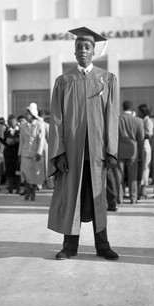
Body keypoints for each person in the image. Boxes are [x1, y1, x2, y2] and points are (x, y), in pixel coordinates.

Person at [47, 27, 119, 261]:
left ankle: (103, 246)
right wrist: (59, 152)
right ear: (74, 51)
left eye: (87, 47)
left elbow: (112, 116)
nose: (83, 51)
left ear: (94, 50)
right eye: (79, 47)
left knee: (98, 197)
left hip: (97, 151)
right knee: (72, 198)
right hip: (73, 152)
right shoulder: (64, 81)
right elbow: (56, 119)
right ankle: (69, 247)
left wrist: (111, 150)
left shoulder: (106, 79)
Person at [113, 101, 144, 204]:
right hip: (133, 151)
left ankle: (119, 198)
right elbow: (141, 139)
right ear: (132, 109)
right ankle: (133, 197)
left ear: (122, 107)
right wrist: (141, 153)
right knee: (133, 176)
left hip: (118, 150)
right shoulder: (138, 121)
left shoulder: (116, 119)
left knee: (118, 176)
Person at [18, 103, 46, 201]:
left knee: (34, 174)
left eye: (27, 113)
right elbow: (21, 141)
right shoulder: (23, 126)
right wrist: (19, 153)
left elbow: (41, 139)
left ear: (32, 114)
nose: (26, 115)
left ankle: (32, 191)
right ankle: (27, 189)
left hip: (35, 154)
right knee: (24, 173)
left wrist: (39, 152)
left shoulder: (39, 124)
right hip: (25, 154)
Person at [0, 114, 20, 194]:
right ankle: (10, 189)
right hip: (8, 152)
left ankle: (18, 188)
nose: (12, 123)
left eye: (13, 121)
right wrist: (6, 141)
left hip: (17, 151)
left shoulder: (20, 129)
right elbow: (3, 140)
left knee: (17, 171)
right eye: (10, 121)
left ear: (16, 121)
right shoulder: (6, 130)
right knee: (9, 171)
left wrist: (16, 140)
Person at [137, 104, 154, 199]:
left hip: (145, 144)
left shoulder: (148, 121)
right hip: (140, 144)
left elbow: (149, 134)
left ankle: (143, 191)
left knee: (145, 168)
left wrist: (139, 135)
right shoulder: (141, 120)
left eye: (139, 111)